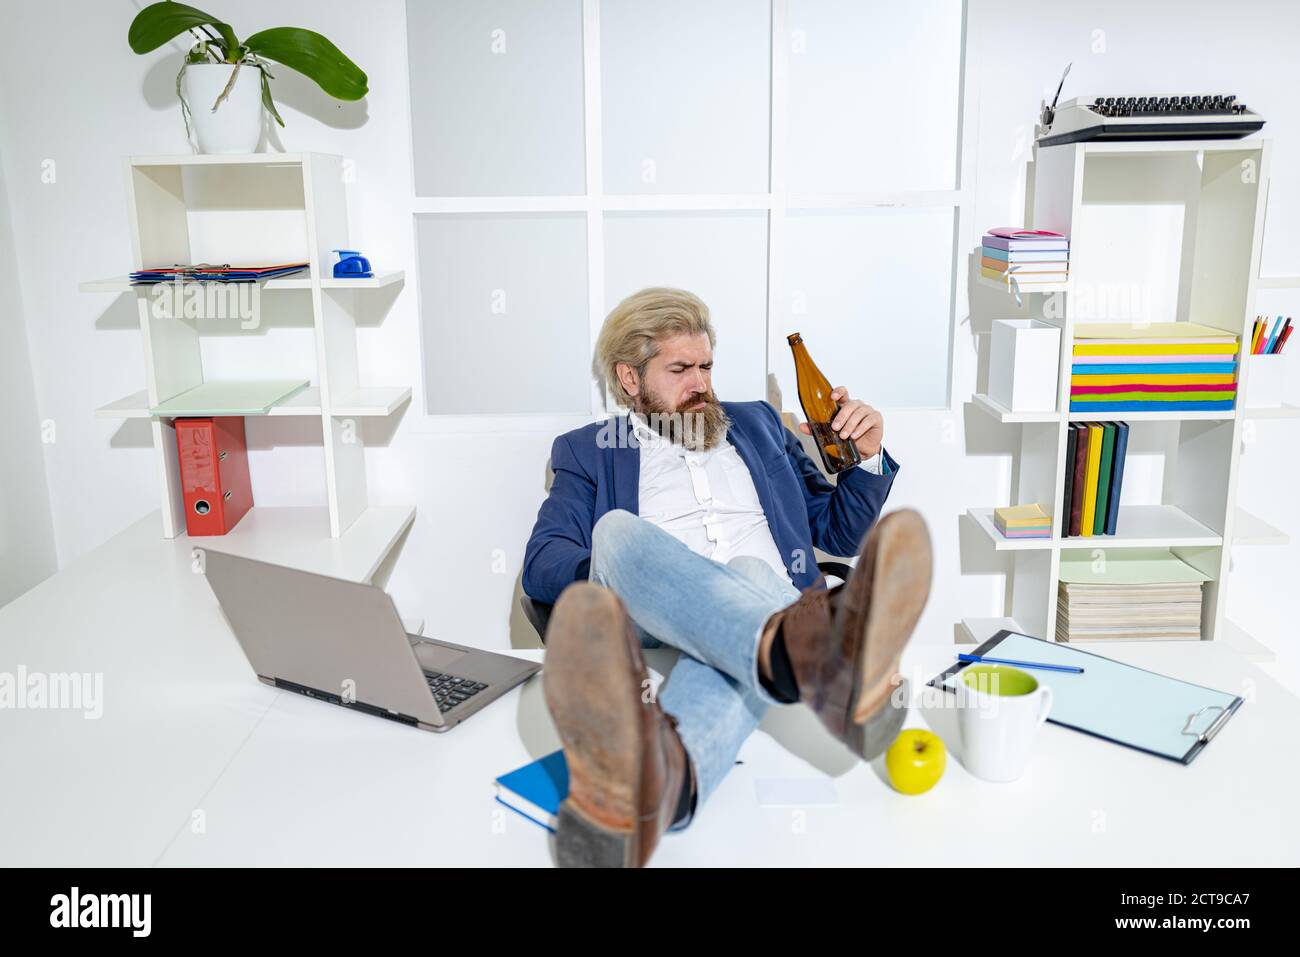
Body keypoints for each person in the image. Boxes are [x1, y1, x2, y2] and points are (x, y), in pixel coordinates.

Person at [523, 287, 932, 867]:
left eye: (707, 366)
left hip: (773, 607)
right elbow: (542, 564)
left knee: (749, 570)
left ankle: (662, 787)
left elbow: (837, 535)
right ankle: (811, 655)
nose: (701, 383)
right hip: (662, 625)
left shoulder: (759, 425)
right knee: (614, 530)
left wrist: (866, 457)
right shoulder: (590, 451)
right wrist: (649, 574)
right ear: (631, 379)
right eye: (680, 369)